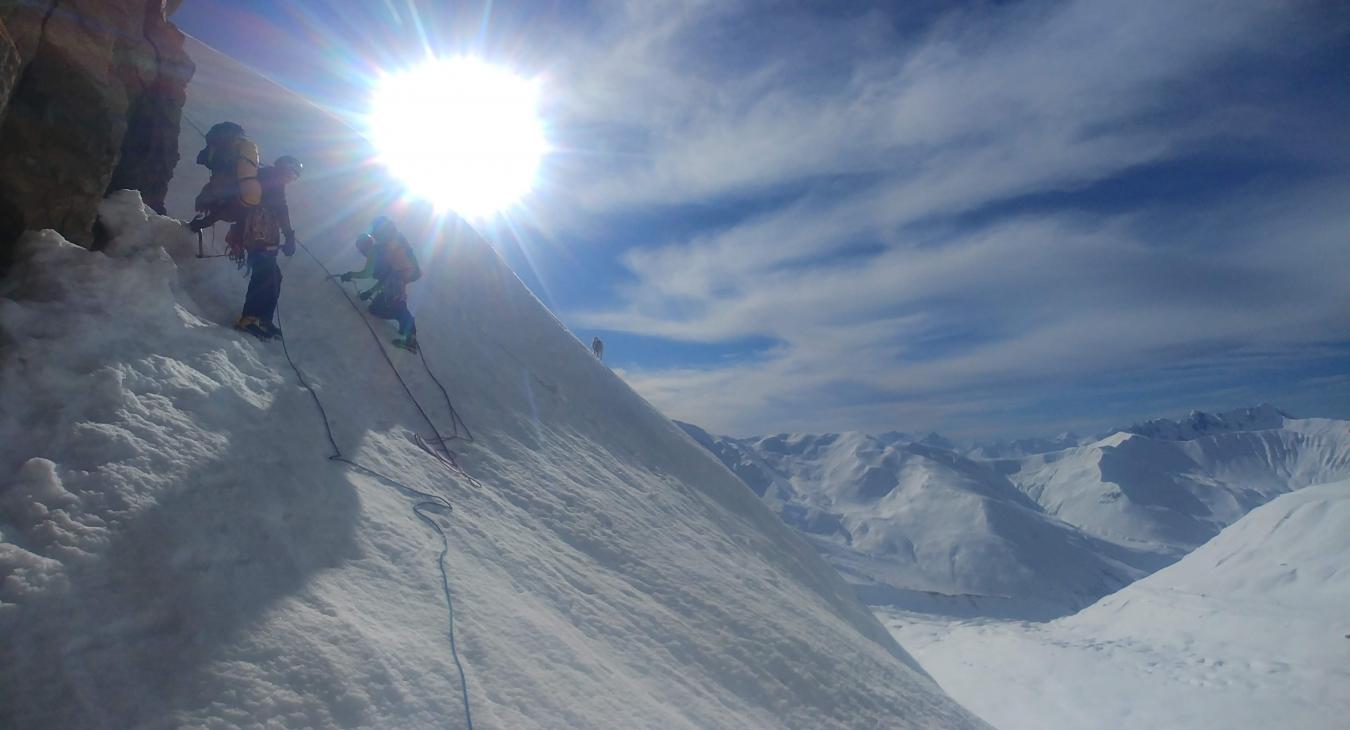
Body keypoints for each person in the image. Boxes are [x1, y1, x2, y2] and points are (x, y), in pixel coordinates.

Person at [232, 155, 303, 339]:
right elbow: (281, 209)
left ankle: (262, 318)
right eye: (291, 174)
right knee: (264, 276)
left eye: (293, 177)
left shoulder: (267, 177)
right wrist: (289, 236)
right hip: (259, 235)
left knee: (273, 276)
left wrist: (288, 236)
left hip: (261, 235)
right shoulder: (272, 180)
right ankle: (249, 319)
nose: (290, 179)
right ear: (284, 168)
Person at [340, 216, 422, 352]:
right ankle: (405, 326)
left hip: (398, 278)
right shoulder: (382, 249)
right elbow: (385, 279)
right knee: (380, 307)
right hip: (400, 276)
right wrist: (370, 292)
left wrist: (350, 275)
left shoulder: (375, 251)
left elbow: (367, 273)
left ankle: (410, 337)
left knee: (393, 307)